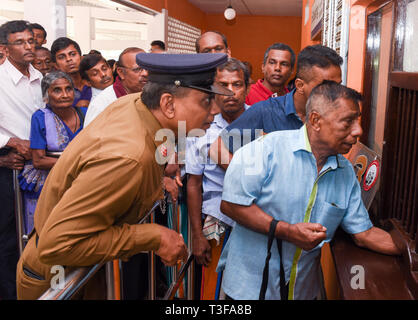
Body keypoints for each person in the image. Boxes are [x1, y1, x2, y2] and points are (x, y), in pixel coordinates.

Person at [16, 52, 233, 300]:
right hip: (59, 282)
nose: (215, 110)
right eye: (206, 101)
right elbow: (58, 245)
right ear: (168, 104)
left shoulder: (138, 107)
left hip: (84, 271)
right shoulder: (127, 158)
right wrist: (153, 236)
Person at [217, 81, 401, 300]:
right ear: (315, 120)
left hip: (303, 290)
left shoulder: (345, 173)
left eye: (358, 121)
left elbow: (364, 234)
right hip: (249, 290)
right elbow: (231, 205)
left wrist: (409, 251)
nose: (358, 131)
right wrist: (287, 231)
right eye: (347, 122)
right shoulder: (264, 150)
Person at [210, 44, 343, 169]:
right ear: (300, 85)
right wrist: (251, 179)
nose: (335, 92)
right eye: (326, 86)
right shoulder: (265, 111)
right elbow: (217, 148)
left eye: (338, 85)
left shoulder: (334, 116)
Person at [186, 58, 250, 300]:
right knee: (215, 292)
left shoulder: (261, 119)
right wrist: (197, 235)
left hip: (255, 220)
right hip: (218, 221)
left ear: (247, 87)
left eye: (237, 84)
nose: (230, 92)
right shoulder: (199, 126)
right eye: (223, 85)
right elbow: (193, 184)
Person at [0, 19, 43, 300]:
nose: (28, 46)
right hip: (9, 169)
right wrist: (9, 143)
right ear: (4, 48)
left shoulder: (41, 77)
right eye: (20, 42)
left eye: (30, 41)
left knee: (38, 234)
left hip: (41, 168)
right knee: (8, 240)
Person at [18, 71, 87, 235]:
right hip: (48, 181)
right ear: (45, 96)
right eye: (57, 90)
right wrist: (75, 164)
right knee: (47, 232)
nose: (64, 95)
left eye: (68, 89)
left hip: (80, 179)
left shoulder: (85, 113)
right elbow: (38, 160)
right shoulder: (40, 117)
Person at [84, 47, 147, 126]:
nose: (145, 73)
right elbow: (90, 137)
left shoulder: (154, 95)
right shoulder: (102, 104)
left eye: (148, 68)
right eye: (138, 69)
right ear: (121, 73)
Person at [51, 37, 91, 107]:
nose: (69, 59)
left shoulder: (93, 84)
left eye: (72, 54)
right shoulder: (54, 92)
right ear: (56, 65)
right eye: (62, 57)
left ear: (81, 58)